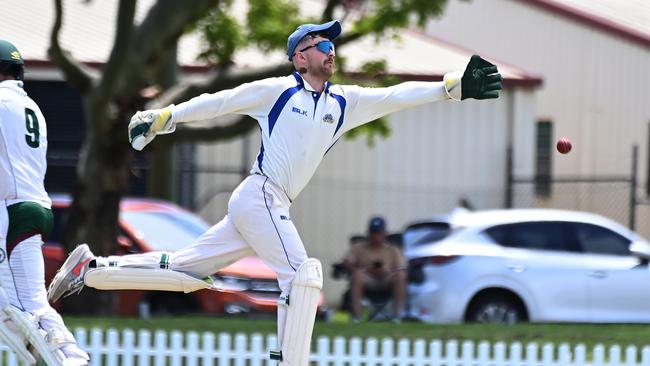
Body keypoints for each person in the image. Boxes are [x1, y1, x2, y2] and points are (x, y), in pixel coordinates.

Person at [48, 20, 502, 365]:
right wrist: (165, 116)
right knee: (303, 275)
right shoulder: (278, 91)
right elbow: (220, 101)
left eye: (331, 45)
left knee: (187, 272)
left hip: (269, 203)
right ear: (299, 57)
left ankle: (91, 268)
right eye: (322, 45)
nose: (330, 51)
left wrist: (454, 87)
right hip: (259, 195)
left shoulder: (344, 102)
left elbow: (396, 96)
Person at [0, 40, 90, 365]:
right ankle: (37, 355)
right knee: (11, 305)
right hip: (31, 207)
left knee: (30, 305)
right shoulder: (31, 107)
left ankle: (71, 360)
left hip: (13, 213)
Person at [342, 217, 406, 322]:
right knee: (358, 275)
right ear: (368, 233)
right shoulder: (359, 248)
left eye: (378, 233)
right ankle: (357, 317)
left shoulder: (393, 250)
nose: (375, 236)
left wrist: (386, 270)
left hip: (387, 280)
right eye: (373, 232)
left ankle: (397, 316)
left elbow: (402, 267)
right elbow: (347, 262)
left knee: (401, 276)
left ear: (384, 233)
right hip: (368, 280)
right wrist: (361, 269)